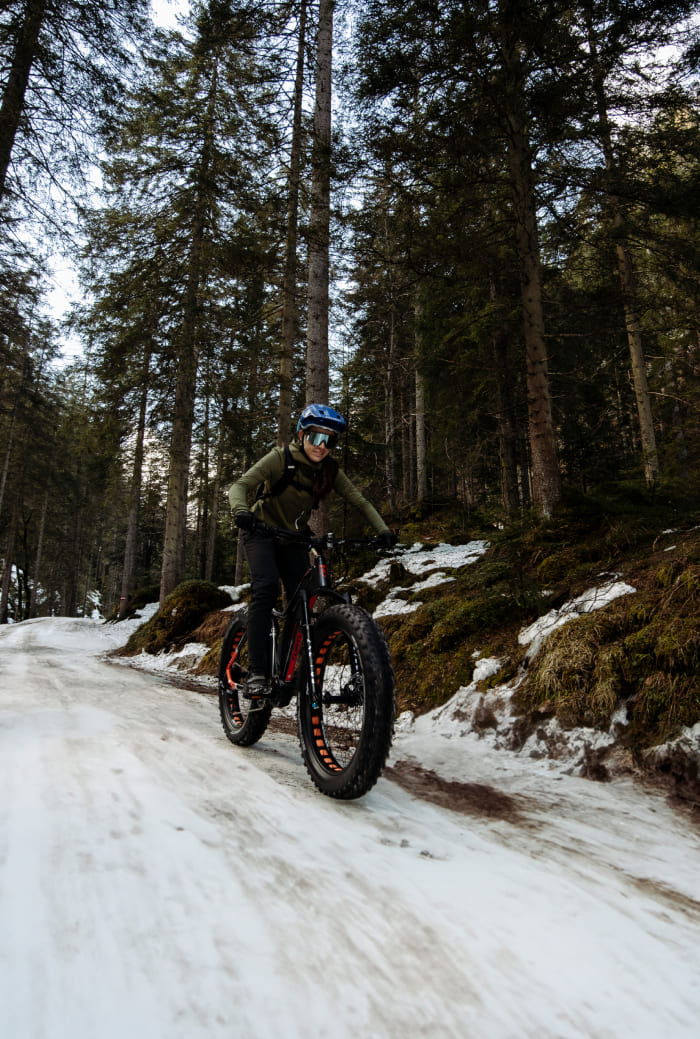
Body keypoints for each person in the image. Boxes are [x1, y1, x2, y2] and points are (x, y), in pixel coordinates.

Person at [229, 403, 396, 701]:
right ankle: (257, 671)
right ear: (301, 434)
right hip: (261, 532)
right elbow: (239, 486)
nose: (321, 446)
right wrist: (242, 512)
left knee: (301, 602)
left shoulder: (329, 470)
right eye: (315, 437)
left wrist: (383, 531)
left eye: (329, 440)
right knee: (265, 588)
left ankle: (284, 671)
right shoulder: (280, 459)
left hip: (294, 538)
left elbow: (360, 501)